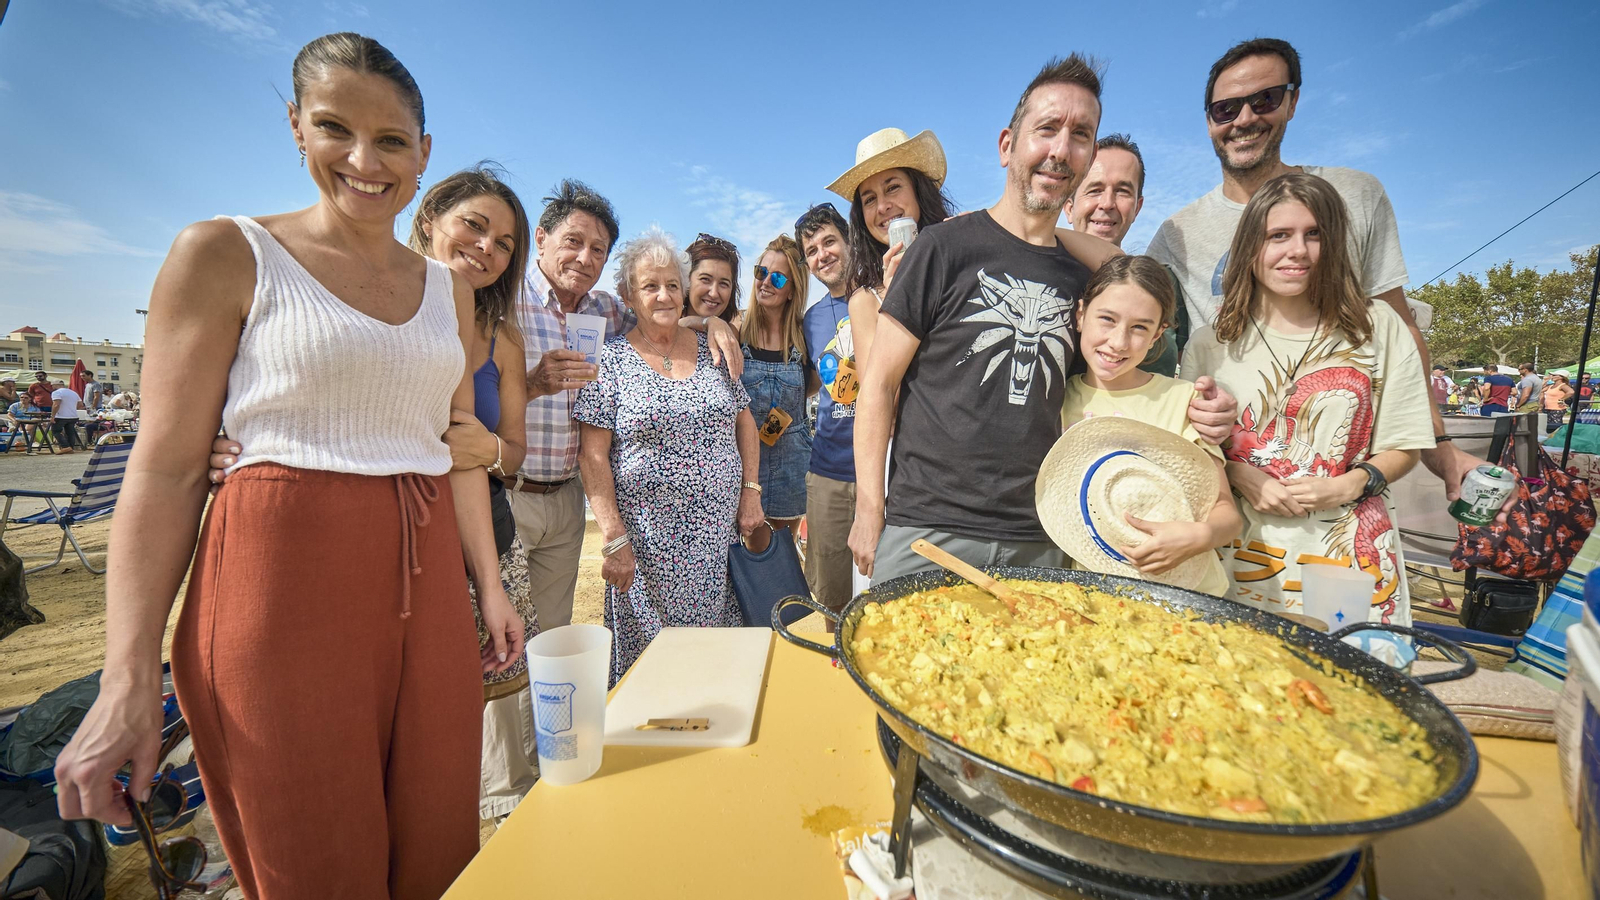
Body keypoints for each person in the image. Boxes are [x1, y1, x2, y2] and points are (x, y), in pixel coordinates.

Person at [52, 33, 522, 900]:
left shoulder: (448, 291)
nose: (362, 160)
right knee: (315, 864)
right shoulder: (225, 252)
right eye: (335, 128)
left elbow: (451, 445)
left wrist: (488, 588)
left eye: (390, 141)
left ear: (425, 152)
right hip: (277, 590)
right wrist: (126, 678)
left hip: (429, 594)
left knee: (442, 855)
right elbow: (161, 469)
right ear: (296, 126)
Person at [206, 165, 544, 822]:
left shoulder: (486, 325)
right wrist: (213, 447)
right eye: (473, 225)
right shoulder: (298, 275)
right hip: (341, 550)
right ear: (431, 217)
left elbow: (481, 453)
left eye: (503, 242)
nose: (486, 249)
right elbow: (263, 393)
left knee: (458, 728)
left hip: (467, 542)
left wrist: (490, 457)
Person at [850, 55, 1235, 583]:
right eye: (1047, 129)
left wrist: (1203, 405)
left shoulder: (1085, 281)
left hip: (1046, 536)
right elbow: (878, 384)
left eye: (1080, 135)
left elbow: (1141, 287)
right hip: (928, 530)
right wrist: (869, 511)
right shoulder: (941, 248)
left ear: (1090, 156)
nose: (1060, 149)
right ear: (1008, 144)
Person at [1146, 37, 1495, 516]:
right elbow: (1137, 309)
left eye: (1263, 99)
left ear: (1292, 101)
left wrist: (1439, 447)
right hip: (1238, 491)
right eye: (1226, 108)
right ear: (1209, 120)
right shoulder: (1177, 232)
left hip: (1343, 496)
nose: (1244, 118)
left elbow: (1397, 330)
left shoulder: (1355, 194)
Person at [1182, 172, 1434, 626]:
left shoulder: (1378, 328)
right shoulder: (1209, 343)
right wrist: (1241, 475)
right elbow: (1191, 453)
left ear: (1334, 243)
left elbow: (1407, 443)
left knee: (1350, 689)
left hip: (1349, 568)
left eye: (1313, 234)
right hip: (1242, 565)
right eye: (1278, 235)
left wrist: (1350, 483)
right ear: (1251, 246)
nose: (1296, 250)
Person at [511, 181, 741, 635]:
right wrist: (533, 382)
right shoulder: (506, 301)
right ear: (541, 238)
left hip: (567, 500)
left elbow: (666, 313)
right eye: (573, 242)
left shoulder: (604, 311)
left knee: (553, 634)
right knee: (505, 644)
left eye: (597, 249)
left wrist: (712, 321)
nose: (585, 257)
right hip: (510, 490)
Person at [574, 228, 763, 685]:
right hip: (646, 550)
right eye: (650, 286)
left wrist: (751, 493)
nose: (664, 295)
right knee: (652, 677)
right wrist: (614, 537)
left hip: (718, 545)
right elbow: (592, 455)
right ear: (628, 296)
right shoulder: (612, 360)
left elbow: (745, 423)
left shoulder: (713, 349)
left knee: (719, 670)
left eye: (673, 285)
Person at [1060, 255, 1240, 594]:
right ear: (1081, 315)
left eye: (1139, 327)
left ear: (1159, 333)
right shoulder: (1057, 398)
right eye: (1107, 320)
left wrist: (1202, 535)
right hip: (1091, 590)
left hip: (1186, 591)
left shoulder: (1182, 401)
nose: (1118, 342)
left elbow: (1225, 511)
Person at [827, 127, 956, 378]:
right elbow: (880, 400)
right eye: (870, 199)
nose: (883, 206)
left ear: (919, 191)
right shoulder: (865, 303)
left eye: (893, 187)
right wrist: (896, 303)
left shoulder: (959, 258)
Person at [796, 202, 859, 622]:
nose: (823, 255)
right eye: (812, 250)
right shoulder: (812, 320)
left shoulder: (888, 294)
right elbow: (807, 383)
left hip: (892, 470)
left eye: (829, 241)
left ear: (849, 239)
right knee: (829, 598)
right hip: (828, 474)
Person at [740, 234, 817, 537]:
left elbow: (810, 388)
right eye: (761, 272)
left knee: (782, 556)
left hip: (791, 466)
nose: (765, 282)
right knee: (753, 555)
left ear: (792, 290)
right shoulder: (738, 328)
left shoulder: (804, 335)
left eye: (778, 278)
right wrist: (711, 323)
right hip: (747, 469)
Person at [682, 232, 741, 325]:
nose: (713, 294)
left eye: (723, 284)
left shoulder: (732, 335)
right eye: (705, 279)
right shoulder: (660, 329)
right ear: (686, 279)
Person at [50, 380, 84, 452]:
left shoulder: (56, 393)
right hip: (73, 416)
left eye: (52, 385)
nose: (51, 387)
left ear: (55, 385)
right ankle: (70, 447)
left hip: (61, 416)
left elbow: (56, 404)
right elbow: (81, 405)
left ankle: (65, 446)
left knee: (56, 431)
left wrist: (52, 416)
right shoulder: (73, 393)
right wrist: (71, 408)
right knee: (70, 432)